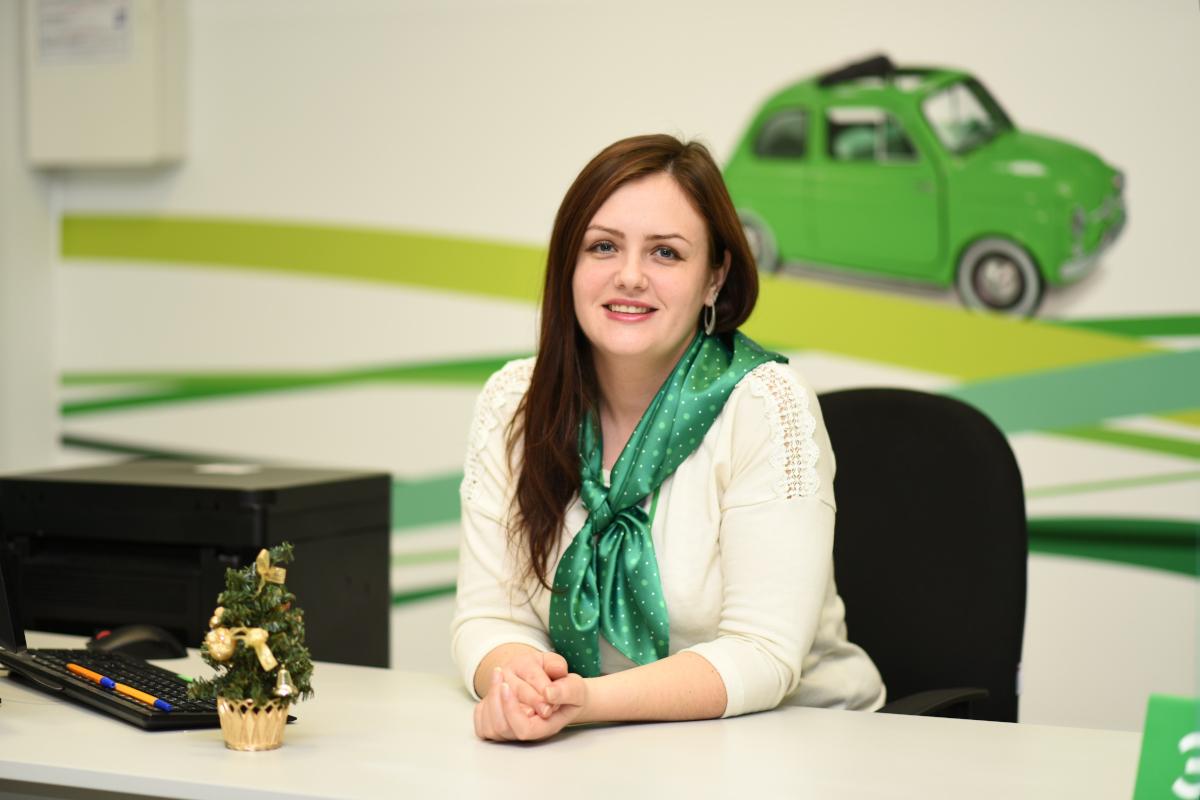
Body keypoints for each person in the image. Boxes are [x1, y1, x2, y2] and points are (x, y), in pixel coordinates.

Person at [452, 134, 884, 742]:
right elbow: (487, 617)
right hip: (593, 748)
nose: (630, 276)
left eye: (665, 253)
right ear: (569, 266)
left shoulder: (765, 403)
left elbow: (763, 653)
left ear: (714, 277)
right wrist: (523, 684)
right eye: (603, 246)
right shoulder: (513, 402)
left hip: (792, 745)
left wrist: (584, 702)